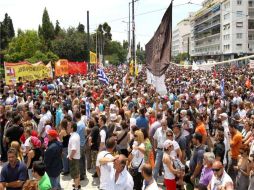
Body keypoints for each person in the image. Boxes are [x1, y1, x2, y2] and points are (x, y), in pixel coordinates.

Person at [67, 122, 81, 190]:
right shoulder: (75, 135)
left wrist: (70, 157)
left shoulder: (73, 137)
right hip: (76, 157)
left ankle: (76, 188)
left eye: (68, 126)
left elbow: (74, 150)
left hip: (74, 158)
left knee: (75, 174)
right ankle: (77, 184)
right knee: (77, 172)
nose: (67, 128)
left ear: (72, 128)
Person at [75, 112, 86, 180]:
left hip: (79, 144)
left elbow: (76, 135)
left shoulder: (78, 125)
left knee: (80, 161)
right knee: (83, 159)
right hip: (83, 143)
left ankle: (81, 175)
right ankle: (83, 172)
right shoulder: (82, 123)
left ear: (76, 117)